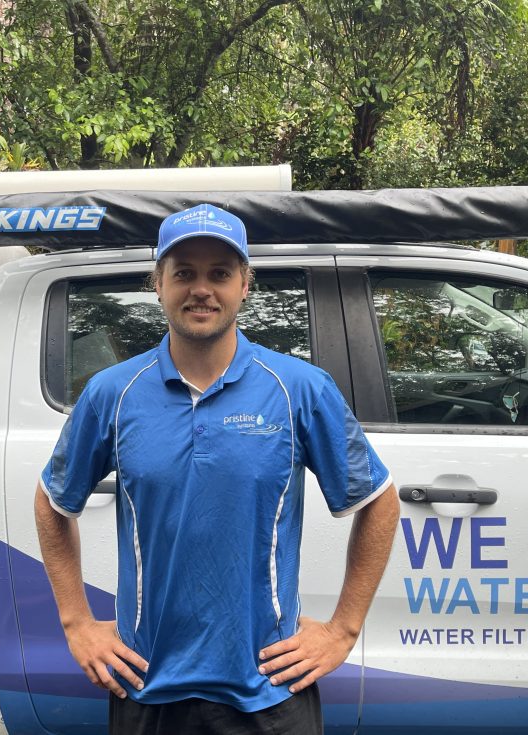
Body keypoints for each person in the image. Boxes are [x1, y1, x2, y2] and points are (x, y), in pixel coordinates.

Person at [34, 203, 400, 734]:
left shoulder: (299, 388)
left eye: (220, 274)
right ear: (157, 284)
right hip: (144, 686)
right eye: (184, 273)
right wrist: (76, 623)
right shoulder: (112, 394)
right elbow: (53, 501)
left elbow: (379, 501)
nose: (201, 289)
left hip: (269, 687)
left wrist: (343, 630)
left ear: (245, 285)